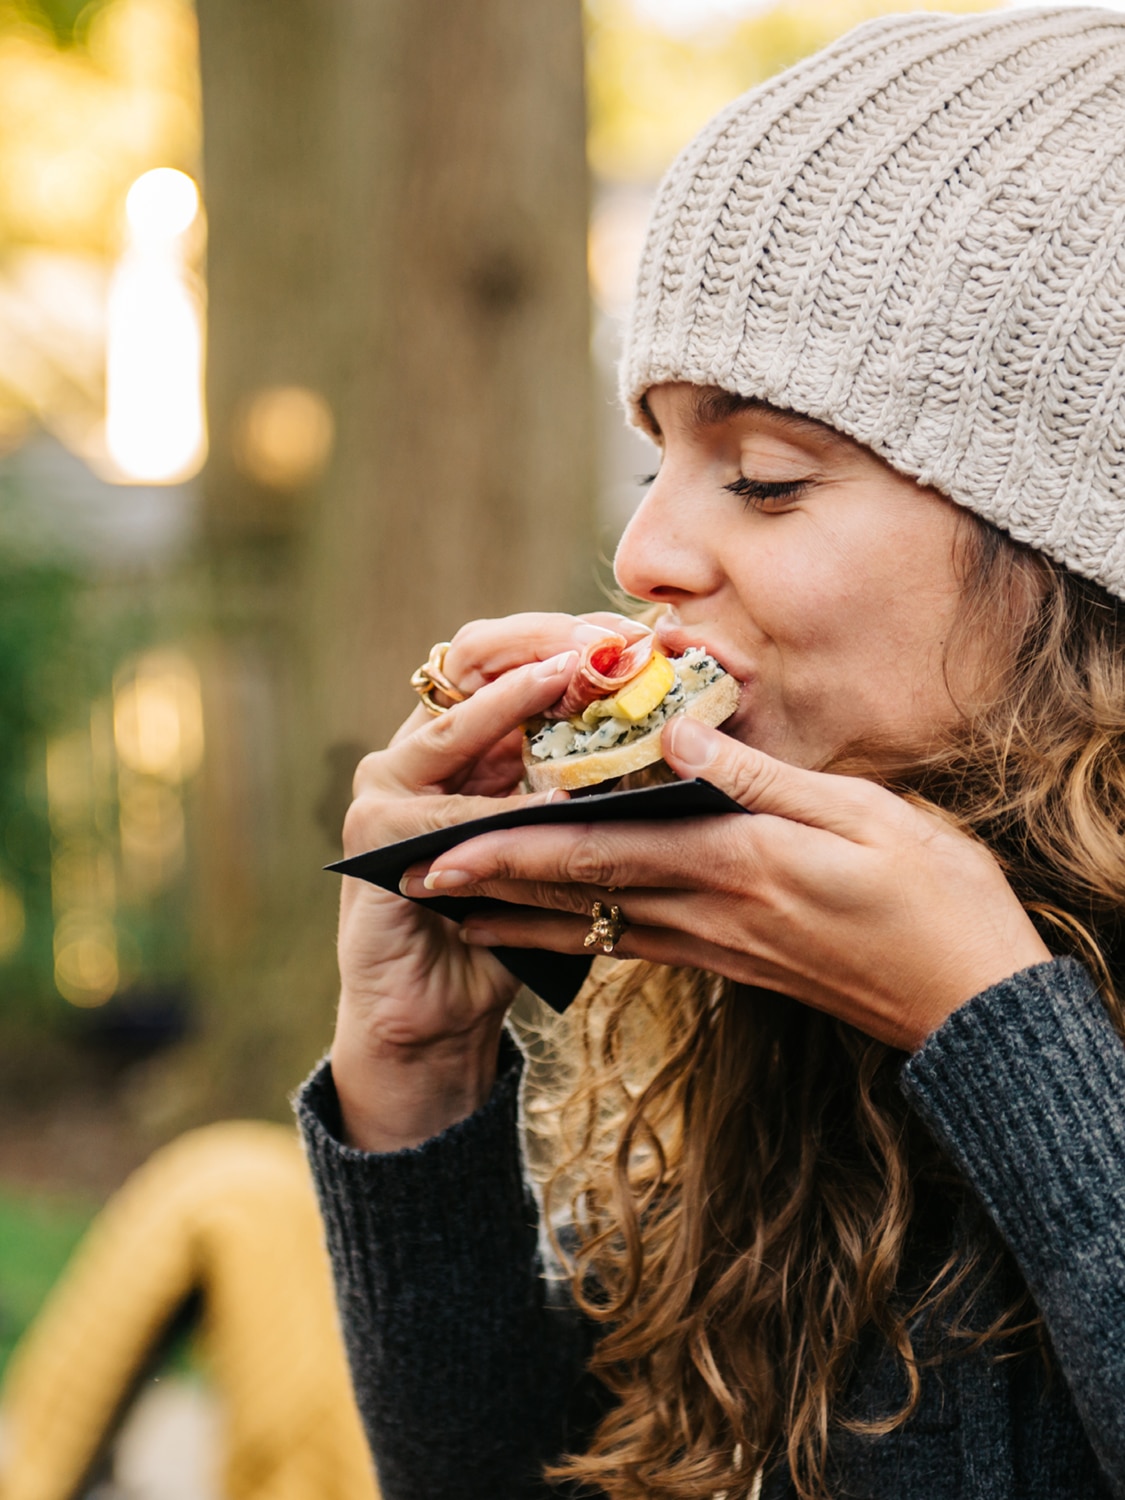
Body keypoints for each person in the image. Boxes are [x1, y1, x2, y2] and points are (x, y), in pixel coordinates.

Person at [296, 9, 1125, 1498]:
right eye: (653, 458)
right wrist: (414, 1076)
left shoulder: (909, 962)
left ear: (1072, 548)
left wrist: (994, 1029)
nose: (643, 551)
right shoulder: (784, 986)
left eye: (764, 477)